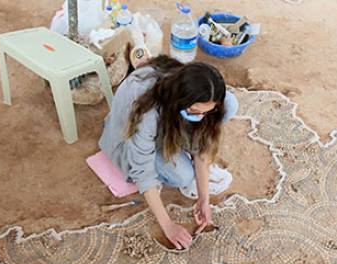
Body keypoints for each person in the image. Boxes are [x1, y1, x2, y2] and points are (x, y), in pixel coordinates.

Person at [99, 55, 238, 250]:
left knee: (230, 103)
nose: (201, 117)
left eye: (206, 112)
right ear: (180, 100)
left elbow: (202, 142)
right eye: (195, 111)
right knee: (182, 175)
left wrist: (203, 198)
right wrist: (168, 227)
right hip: (123, 136)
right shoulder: (146, 111)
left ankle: (185, 136)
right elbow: (143, 172)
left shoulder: (185, 86)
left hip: (166, 121)